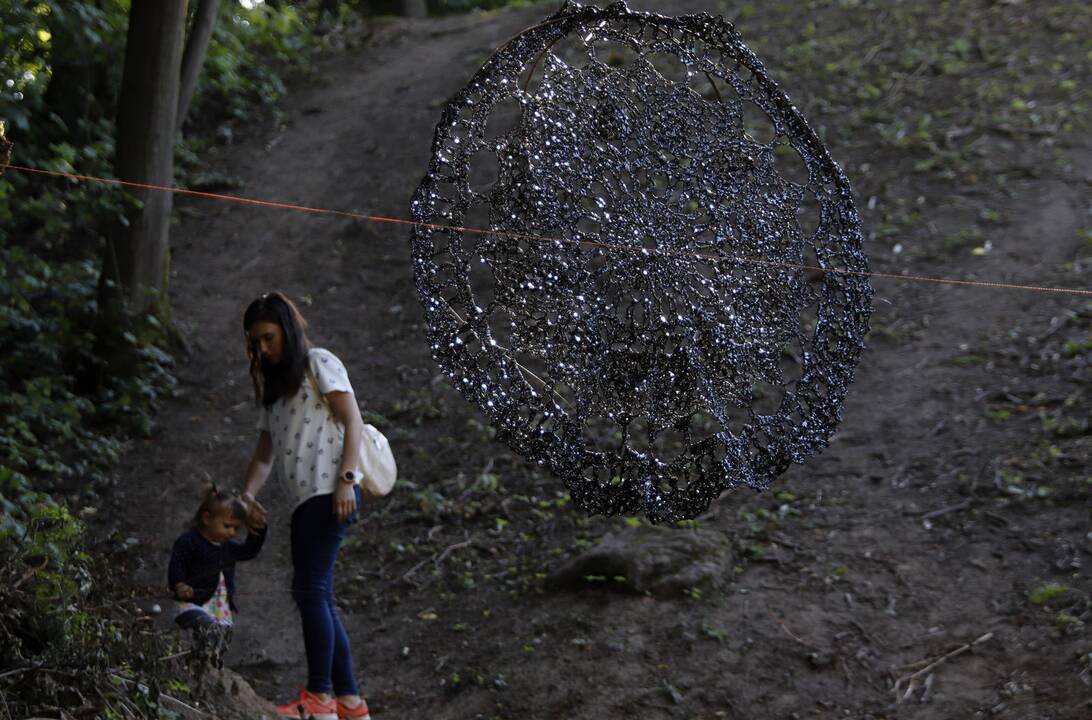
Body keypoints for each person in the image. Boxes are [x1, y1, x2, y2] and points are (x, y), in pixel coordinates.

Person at [239, 292, 371, 720]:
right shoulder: (274, 391)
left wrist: (347, 481)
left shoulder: (319, 362)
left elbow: (352, 420)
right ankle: (350, 703)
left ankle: (320, 697)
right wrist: (247, 495)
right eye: (255, 341)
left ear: (288, 331)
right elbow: (264, 455)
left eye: (269, 338)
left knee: (311, 589)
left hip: (331, 491)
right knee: (317, 593)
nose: (262, 348)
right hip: (304, 501)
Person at [167, 485, 267, 659]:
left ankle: (207, 664)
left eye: (236, 528)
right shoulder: (189, 541)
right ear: (207, 518)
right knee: (206, 627)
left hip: (219, 607)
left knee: (220, 638)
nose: (231, 532)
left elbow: (249, 551)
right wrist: (179, 584)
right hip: (191, 603)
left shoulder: (227, 547)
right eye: (227, 526)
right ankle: (198, 658)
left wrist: (259, 528)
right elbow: (177, 564)